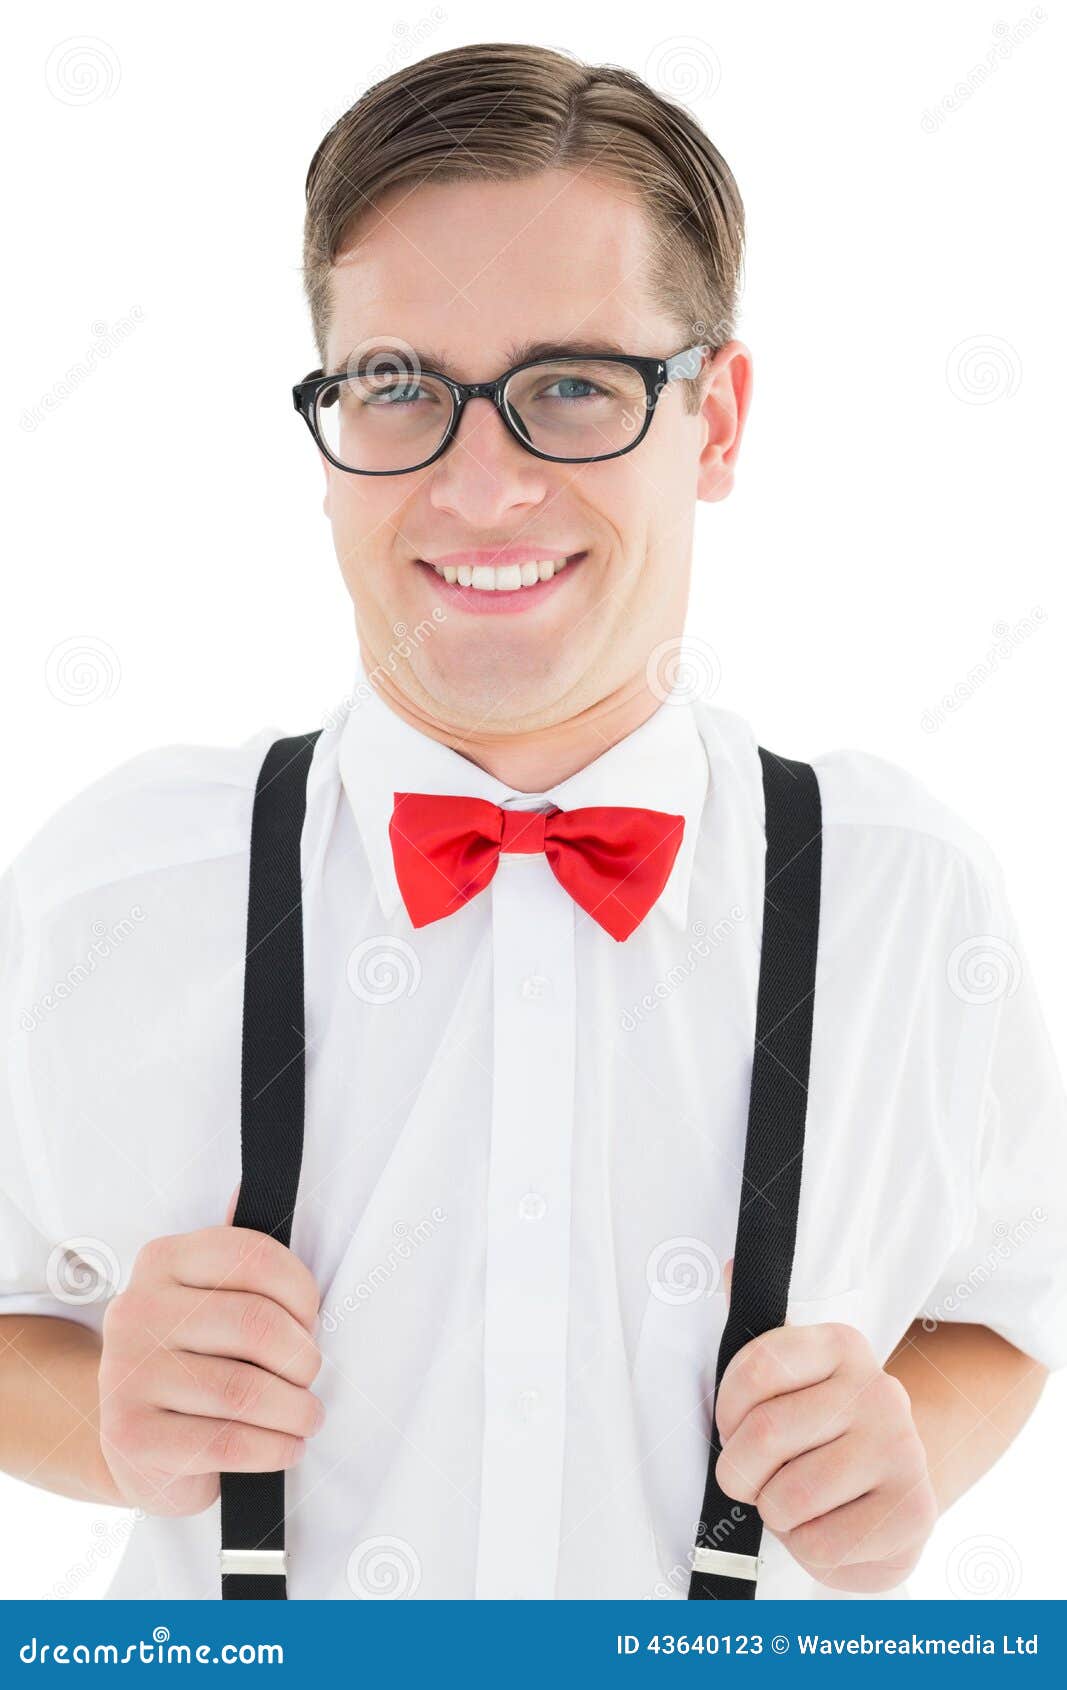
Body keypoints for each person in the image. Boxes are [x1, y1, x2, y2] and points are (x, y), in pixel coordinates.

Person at [2, 41, 1065, 1603]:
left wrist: (895, 1443)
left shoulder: (907, 903)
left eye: (574, 384)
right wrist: (108, 1417)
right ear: (332, 427)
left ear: (715, 424)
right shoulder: (118, 886)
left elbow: (1007, 1310)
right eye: (400, 385)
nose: (482, 485)